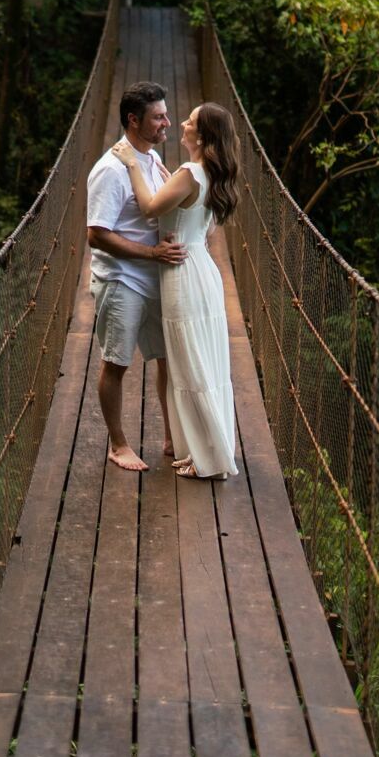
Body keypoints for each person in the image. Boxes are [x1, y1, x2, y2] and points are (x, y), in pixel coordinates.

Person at [110, 103, 241, 479]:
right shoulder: (212, 174)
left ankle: (207, 458)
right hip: (202, 268)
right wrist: (173, 182)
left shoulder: (189, 174)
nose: (181, 123)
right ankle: (205, 449)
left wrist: (132, 164)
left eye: (190, 121)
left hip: (181, 272)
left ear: (200, 136)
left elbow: (151, 208)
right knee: (202, 360)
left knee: (188, 361)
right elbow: (204, 224)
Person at [86, 82, 186, 472]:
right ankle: (118, 444)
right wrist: (151, 252)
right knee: (117, 363)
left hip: (155, 276)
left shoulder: (149, 157)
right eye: (159, 116)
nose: (167, 122)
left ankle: (169, 435)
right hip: (121, 280)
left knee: (166, 359)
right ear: (134, 120)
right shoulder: (111, 170)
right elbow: (96, 234)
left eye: (165, 114)